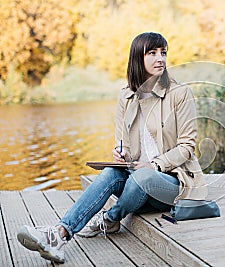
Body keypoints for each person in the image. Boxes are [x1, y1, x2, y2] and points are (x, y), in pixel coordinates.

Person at [16, 32, 207, 264]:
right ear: (138, 58)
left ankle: (110, 218)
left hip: (173, 184)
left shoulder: (179, 93)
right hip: (137, 183)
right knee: (111, 173)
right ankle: (60, 234)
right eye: (152, 53)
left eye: (163, 53)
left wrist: (155, 164)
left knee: (143, 176)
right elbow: (123, 144)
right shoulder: (126, 97)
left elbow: (187, 146)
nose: (161, 59)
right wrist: (122, 154)